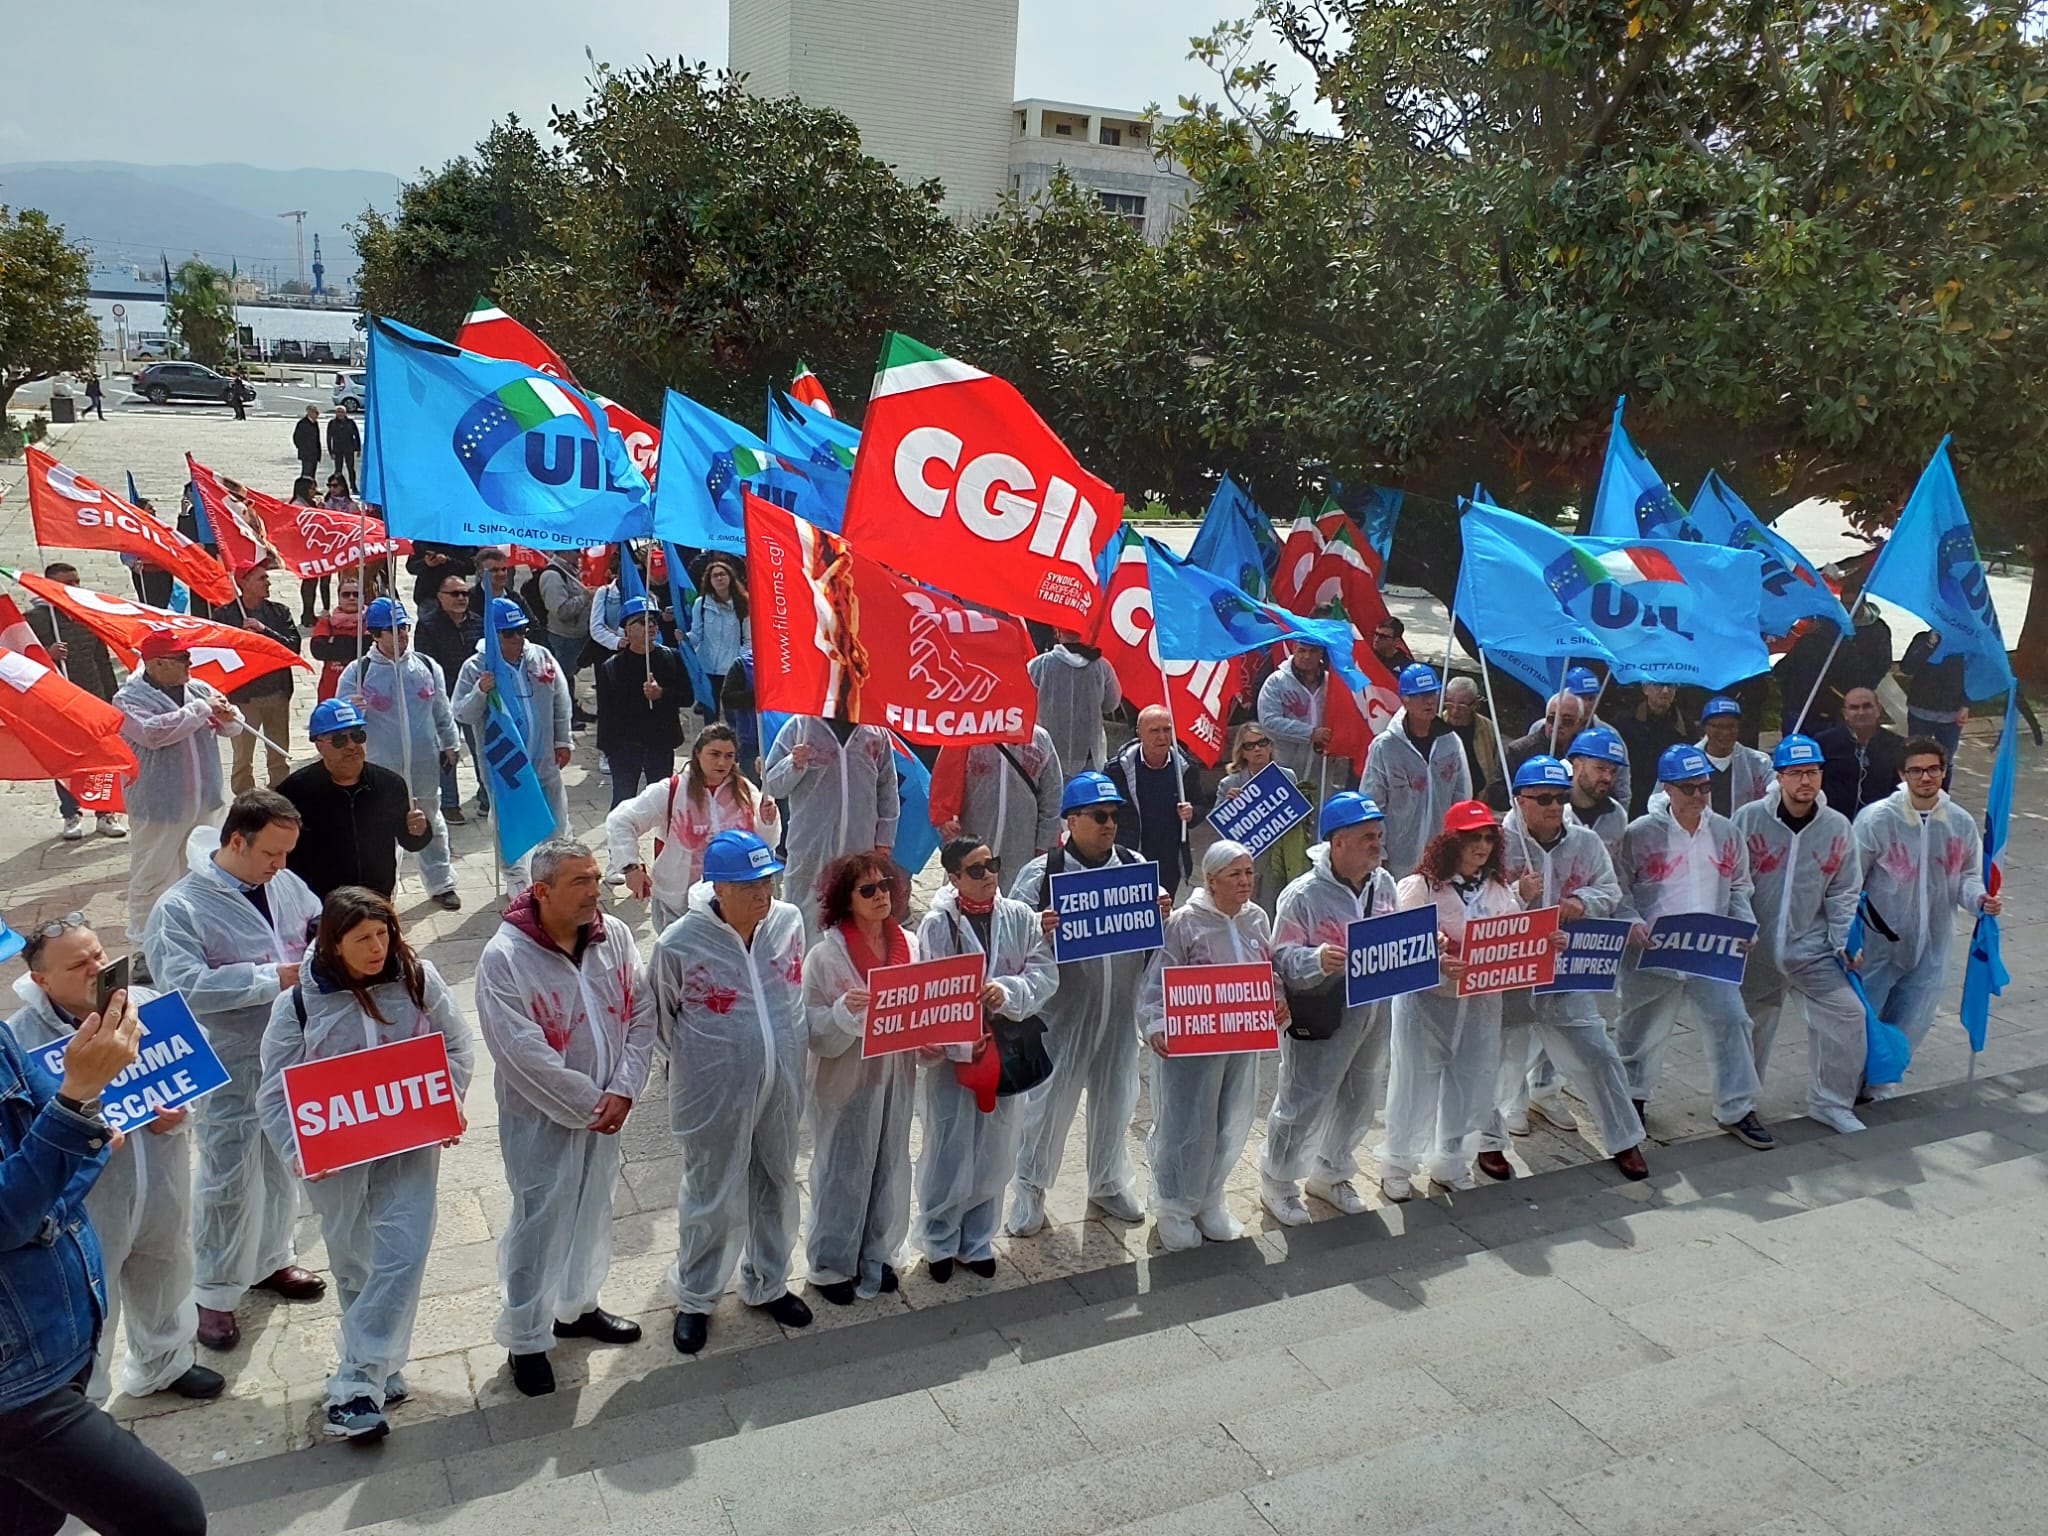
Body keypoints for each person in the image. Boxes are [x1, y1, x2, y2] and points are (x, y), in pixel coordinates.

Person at [257, 887, 473, 1441]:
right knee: (355, 1262)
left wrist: (446, 1101)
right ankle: (382, 1366)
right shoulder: (298, 1004)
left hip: (408, 1146)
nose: (378, 948)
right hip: (337, 1160)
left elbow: (455, 1046)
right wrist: (298, 1151)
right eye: (363, 940)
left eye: (384, 934)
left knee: (402, 1256)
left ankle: (352, 1387)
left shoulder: (418, 978)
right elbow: (274, 1092)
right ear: (334, 943)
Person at [0, 980, 210, 1536]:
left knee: (27, 1520)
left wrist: (77, 1119)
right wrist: (76, 1106)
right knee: (170, 1515)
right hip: (17, 1380)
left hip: (57, 1341)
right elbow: (11, 1215)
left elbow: (85, 1144)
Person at [7, 919, 221, 1403]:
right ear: (42, 980)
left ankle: (166, 1363)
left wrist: (182, 1113)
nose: (97, 969)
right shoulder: (22, 1041)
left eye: (99, 955)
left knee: (167, 1268)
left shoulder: (145, 1005)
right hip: (89, 1198)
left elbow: (197, 1068)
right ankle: (87, 1396)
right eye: (79, 964)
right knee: (92, 1293)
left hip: (161, 1174)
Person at [143, 790, 327, 1351]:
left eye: (288, 853)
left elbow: (314, 923)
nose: (280, 865)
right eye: (271, 852)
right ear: (236, 841)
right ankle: (213, 1293)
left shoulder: (285, 884)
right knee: (227, 1175)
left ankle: (273, 1258)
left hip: (287, 1052)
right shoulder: (180, 907)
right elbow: (184, 986)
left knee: (279, 1166)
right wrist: (275, 976)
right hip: (228, 1059)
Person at [474, 839, 655, 1398]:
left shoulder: (614, 936)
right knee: (540, 1221)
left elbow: (640, 1010)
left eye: (597, 879)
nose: (595, 892)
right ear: (542, 890)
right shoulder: (504, 959)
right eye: (581, 882)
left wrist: (623, 1089)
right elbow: (520, 1051)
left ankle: (577, 1306)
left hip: (607, 1110)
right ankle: (526, 1336)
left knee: (591, 1208)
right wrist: (588, 1102)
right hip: (542, 1119)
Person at [652, 829, 814, 1352]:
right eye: (748, 887)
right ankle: (696, 1297)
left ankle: (768, 1280)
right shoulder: (679, 944)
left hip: (782, 1079)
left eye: (767, 882)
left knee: (776, 1178)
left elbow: (793, 991)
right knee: (710, 1192)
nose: (762, 895)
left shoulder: (787, 923)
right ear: (718, 888)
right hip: (714, 1089)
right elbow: (659, 1021)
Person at [1008, 773, 1160, 1232]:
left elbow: (1154, 942)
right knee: (1048, 1106)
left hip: (1118, 1012)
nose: (1108, 824)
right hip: (1063, 1015)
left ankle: (1109, 1182)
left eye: (1114, 815)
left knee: (1117, 1098)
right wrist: (1039, 926)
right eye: (1098, 816)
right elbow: (1010, 940)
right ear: (1071, 821)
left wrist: (1160, 911)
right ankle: (1030, 1188)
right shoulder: (1044, 874)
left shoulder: (1133, 866)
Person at [1487, 757, 1650, 1180]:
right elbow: (1475, 905)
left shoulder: (1585, 841)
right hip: (1511, 973)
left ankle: (1624, 1138)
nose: (1552, 807)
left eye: (1559, 798)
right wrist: (1517, 896)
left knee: (1596, 1051)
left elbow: (1609, 889)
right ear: (1519, 801)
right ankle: (1487, 1142)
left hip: (1566, 969)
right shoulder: (1494, 844)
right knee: (1495, 1058)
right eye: (1542, 799)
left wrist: (1580, 904)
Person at [1612, 745, 1775, 1150]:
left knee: (1732, 1021)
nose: (1700, 797)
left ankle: (1737, 1106)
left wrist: (1744, 924)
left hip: (1707, 948)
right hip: (1654, 950)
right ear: (1667, 788)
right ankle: (1632, 1100)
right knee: (1638, 1030)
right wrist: (1632, 923)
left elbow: (1739, 884)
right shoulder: (1640, 834)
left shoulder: (1725, 831)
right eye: (1689, 789)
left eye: (1705, 786)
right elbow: (1619, 889)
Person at [914, 837, 1058, 1280]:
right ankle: (939, 1240)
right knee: (948, 1145)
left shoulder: (1017, 916)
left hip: (1005, 1048)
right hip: (955, 1058)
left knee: (997, 1144)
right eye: (976, 870)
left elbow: (1043, 971)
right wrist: (959, 1039)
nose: (989, 875)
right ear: (954, 877)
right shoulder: (937, 925)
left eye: (992, 864)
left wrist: (1008, 992)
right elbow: (928, 990)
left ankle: (977, 1239)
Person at [1259, 792, 1399, 1223]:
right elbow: (1280, 957)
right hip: (1320, 1014)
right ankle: (1277, 1182)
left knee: (1359, 1095)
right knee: (1302, 1098)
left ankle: (1331, 1170)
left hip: (1373, 1011)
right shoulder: (1302, 895)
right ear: (1337, 842)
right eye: (1366, 837)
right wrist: (1316, 960)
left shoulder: (1385, 884)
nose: (1377, 844)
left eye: (1378, 835)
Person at [1376, 801, 1523, 1196]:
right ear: (1450, 842)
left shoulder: (1498, 889)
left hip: (1480, 1006)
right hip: (1427, 1005)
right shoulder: (1421, 888)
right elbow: (1397, 943)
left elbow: (1515, 936)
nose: (1482, 846)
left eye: (1488, 837)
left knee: (1470, 1083)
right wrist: (1435, 958)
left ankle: (1451, 1160)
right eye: (1472, 838)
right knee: (1413, 1086)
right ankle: (1398, 1166)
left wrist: (1544, 942)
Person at [1138, 840, 1279, 1249]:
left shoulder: (1256, 919)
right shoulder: (1184, 922)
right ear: (1211, 880)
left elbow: (1268, 969)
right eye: (1235, 875)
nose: (1245, 882)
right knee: (1186, 1124)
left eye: (1249, 873)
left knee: (1228, 1118)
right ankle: (1174, 1205)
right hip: (1192, 1049)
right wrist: (1156, 1025)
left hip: (1240, 1040)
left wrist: (1276, 996)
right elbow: (1154, 985)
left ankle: (1210, 1197)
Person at [1732, 736, 1868, 1133]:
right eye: (1796, 773)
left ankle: (1831, 1102)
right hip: (1754, 949)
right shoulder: (1749, 819)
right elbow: (1733, 879)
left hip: (1810, 946)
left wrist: (1843, 940)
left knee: (1847, 1014)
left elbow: (1845, 890)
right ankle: (1739, 1106)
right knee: (1748, 1027)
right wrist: (1739, 926)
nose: (1805, 781)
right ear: (1779, 777)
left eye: (1812, 772)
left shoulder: (1836, 826)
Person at [800, 854, 917, 1305]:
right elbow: (808, 1025)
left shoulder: (909, 942)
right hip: (847, 1077)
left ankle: (878, 1251)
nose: (881, 894)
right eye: (867, 889)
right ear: (845, 900)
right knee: (841, 1170)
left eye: (885, 884)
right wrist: (840, 1013)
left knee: (889, 1163)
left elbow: (924, 1002)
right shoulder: (826, 956)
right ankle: (831, 1266)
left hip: (896, 1074)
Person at [1854, 736, 1998, 1089]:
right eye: (1916, 770)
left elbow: (1967, 876)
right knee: (1862, 1020)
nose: (1926, 777)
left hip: (1932, 942)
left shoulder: (1959, 822)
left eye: (1933, 769)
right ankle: (1846, 1085)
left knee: (1912, 1019)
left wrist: (1980, 899)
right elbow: (1849, 881)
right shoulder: (1877, 819)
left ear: (1944, 772)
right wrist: (1846, 937)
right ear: (1903, 774)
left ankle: (1881, 1086)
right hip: (1877, 943)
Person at [114, 633, 240, 940]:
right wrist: (202, 710)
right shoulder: (128, 699)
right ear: (157, 664)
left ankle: (193, 934)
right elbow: (152, 733)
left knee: (200, 870)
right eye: (182, 659)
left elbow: (234, 727)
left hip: (203, 800)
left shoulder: (197, 688)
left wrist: (227, 715)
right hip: (158, 804)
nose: (190, 663)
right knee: (153, 874)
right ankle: (145, 943)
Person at [337, 599, 461, 911]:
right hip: (381, 762)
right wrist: (353, 710)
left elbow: (441, 709)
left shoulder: (426, 666)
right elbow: (338, 720)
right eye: (394, 629)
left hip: (423, 758)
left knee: (429, 818)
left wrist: (450, 743)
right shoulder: (358, 672)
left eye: (405, 627)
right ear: (376, 634)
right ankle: (381, 890)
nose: (402, 635)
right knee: (381, 826)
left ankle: (441, 882)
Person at [610, 723, 782, 935]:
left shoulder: (745, 790)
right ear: (698, 753)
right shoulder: (671, 790)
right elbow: (621, 819)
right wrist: (630, 867)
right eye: (714, 754)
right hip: (679, 904)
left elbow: (766, 845)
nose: (722, 762)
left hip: (733, 904)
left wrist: (768, 821)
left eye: (729, 756)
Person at [452, 599, 573, 889]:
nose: (518, 638)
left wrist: (562, 739)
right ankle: (516, 877)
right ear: (494, 635)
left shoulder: (540, 656)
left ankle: (554, 872)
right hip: (505, 764)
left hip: (543, 756)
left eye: (521, 630)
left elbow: (561, 699)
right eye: (509, 633)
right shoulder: (475, 667)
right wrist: (481, 691)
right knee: (509, 824)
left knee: (555, 819)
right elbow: (460, 712)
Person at [277, 700, 434, 901]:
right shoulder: (294, 791)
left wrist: (420, 829)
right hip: (318, 904)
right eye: (339, 740)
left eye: (358, 736)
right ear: (320, 745)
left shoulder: (389, 784)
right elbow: (280, 852)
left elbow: (411, 841)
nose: (351, 745)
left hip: (376, 898)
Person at [762, 715, 899, 935]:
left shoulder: (876, 733)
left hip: (860, 847)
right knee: (803, 916)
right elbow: (772, 786)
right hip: (810, 848)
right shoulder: (799, 727)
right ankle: (803, 967)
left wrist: (884, 839)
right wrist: (793, 763)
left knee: (854, 915)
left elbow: (888, 790)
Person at [27, 561, 126, 840]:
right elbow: (19, 661)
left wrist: (112, 697)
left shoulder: (87, 616)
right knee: (66, 760)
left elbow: (102, 660)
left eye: (76, 581)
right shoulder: (35, 620)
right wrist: (46, 655)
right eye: (66, 583)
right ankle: (71, 813)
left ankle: (105, 812)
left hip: (93, 697)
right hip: (57, 702)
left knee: (102, 758)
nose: (74, 588)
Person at [1362, 664, 1473, 878]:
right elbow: (1373, 803)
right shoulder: (1385, 746)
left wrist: (1458, 842)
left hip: (1441, 856)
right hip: (1397, 859)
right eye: (1420, 695)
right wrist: (1378, 852)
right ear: (1405, 699)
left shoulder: (1450, 742)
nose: (1429, 701)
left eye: (1432, 693)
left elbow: (1462, 795)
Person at [930, 727, 1063, 891]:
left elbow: (1052, 797)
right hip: (972, 846)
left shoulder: (1039, 739)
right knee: (967, 902)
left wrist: (1045, 845)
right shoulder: (965, 731)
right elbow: (943, 783)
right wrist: (946, 822)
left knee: (1017, 903)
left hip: (1023, 848)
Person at [595, 597, 695, 805]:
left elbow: (688, 697)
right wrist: (607, 749)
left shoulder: (670, 658)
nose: (649, 625)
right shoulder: (612, 667)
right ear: (627, 630)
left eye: (653, 621)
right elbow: (605, 713)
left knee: (662, 803)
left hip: (659, 742)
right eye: (642, 621)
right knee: (623, 801)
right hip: (625, 746)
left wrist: (662, 694)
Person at [213, 560, 300, 794]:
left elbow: (293, 648)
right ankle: (245, 800)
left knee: (279, 754)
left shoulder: (279, 612)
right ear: (244, 583)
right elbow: (219, 655)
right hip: (243, 697)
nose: (268, 582)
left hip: (276, 694)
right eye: (262, 578)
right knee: (243, 758)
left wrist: (264, 631)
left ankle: (282, 795)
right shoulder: (225, 615)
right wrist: (241, 639)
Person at [1106, 705, 1202, 893]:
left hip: (1169, 860)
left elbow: (1201, 805)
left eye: (1167, 730)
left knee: (1163, 914)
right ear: (1139, 734)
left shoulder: (1186, 768)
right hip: (1131, 856)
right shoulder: (1117, 770)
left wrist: (1192, 813)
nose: (1162, 737)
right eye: (1154, 731)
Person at [1216, 723, 1312, 910]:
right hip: (1250, 864)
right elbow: (1220, 833)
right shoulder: (1229, 783)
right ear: (1242, 752)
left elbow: (1301, 818)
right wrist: (1229, 806)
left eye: (1262, 742)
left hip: (1283, 860)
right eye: (1249, 746)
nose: (1257, 749)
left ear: (1270, 746)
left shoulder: (1287, 776)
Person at [415, 572, 484, 826]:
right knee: (448, 751)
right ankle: (450, 803)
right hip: (443, 697)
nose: (461, 598)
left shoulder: (478, 621)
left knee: (481, 749)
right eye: (454, 593)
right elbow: (426, 663)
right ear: (440, 597)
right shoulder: (429, 625)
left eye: (465, 593)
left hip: (474, 697)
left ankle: (486, 797)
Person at [1258, 642, 1344, 805]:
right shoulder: (1276, 682)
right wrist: (1310, 733)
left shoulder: (1330, 682)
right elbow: (1269, 721)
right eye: (1302, 651)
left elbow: (1343, 717)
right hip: (1285, 761)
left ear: (1321, 654)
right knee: (1283, 813)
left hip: (1322, 764)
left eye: (1313, 651)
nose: (1307, 656)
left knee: (1318, 813)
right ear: (1294, 650)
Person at [1028, 633, 1121, 773]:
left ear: (1057, 632)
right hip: (1090, 756)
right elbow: (1112, 704)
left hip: (1047, 753)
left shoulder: (1039, 665)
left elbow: (1023, 704)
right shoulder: (1101, 666)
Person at [1818, 686, 1907, 818]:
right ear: (1845, 713)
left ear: (1878, 710)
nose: (1861, 712)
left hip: (1881, 820)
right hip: (1834, 821)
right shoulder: (1823, 743)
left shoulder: (1898, 745)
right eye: (1854, 708)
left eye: (1867, 706)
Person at [1900, 630, 1968, 782]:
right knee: (1916, 757)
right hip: (1920, 710)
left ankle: (1942, 798)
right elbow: (1907, 668)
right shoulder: (1922, 639)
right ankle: (1914, 796)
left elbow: (1971, 677)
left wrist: (1965, 705)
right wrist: (1929, 645)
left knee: (1945, 761)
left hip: (1951, 713)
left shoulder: (1965, 643)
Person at [1615, 682, 1692, 817]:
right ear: (1645, 689)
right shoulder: (1624, 723)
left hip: (1672, 804)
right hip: (1634, 801)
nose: (1665, 691)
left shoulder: (1687, 727)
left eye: (1671, 685)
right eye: (1659, 685)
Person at [536, 551, 593, 727]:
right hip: (564, 637)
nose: (579, 554)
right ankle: (565, 716)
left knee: (569, 675)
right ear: (564, 551)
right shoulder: (553, 576)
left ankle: (573, 710)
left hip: (577, 635)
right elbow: (560, 610)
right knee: (563, 677)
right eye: (576, 550)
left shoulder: (570, 570)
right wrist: (585, 597)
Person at [1696, 696, 1773, 817]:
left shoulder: (1759, 762)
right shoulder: (1685, 762)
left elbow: (1776, 795)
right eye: (1719, 726)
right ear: (1705, 727)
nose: (1726, 733)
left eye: (1731, 726)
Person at [689, 558, 747, 717]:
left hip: (732, 668)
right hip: (707, 667)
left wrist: (740, 662)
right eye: (715, 576)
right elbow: (696, 634)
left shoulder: (743, 604)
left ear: (730, 577)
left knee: (732, 715)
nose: (719, 578)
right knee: (710, 713)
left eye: (722, 574)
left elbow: (749, 640)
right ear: (709, 580)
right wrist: (684, 639)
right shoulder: (700, 604)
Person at [1562, 727, 1631, 857]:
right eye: (1600, 768)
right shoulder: (1551, 808)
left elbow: (1618, 869)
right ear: (1577, 764)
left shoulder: (1616, 815)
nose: (1608, 778)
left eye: (1613, 771)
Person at [1438, 677, 1499, 806]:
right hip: (1444, 798)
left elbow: (1494, 764)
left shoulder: (1486, 727)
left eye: (1462, 706)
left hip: (1477, 798)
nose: (1454, 711)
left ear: (1475, 704)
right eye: (1449, 703)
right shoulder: (1436, 725)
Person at [307, 576, 368, 704]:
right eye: (346, 595)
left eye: (356, 594)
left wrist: (336, 642)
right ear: (339, 598)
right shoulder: (327, 622)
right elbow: (318, 650)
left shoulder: (371, 622)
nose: (351, 598)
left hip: (365, 691)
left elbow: (369, 650)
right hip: (331, 691)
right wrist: (356, 643)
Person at [405, 543, 478, 613]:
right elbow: (411, 567)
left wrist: (448, 561)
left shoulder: (463, 539)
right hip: (428, 595)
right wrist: (425, 563)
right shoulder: (423, 538)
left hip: (455, 595)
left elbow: (472, 567)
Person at [326, 401, 361, 493]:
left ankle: (353, 486)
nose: (340, 414)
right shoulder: (332, 423)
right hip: (337, 450)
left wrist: (358, 449)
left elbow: (356, 435)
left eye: (342, 412)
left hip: (349, 449)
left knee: (351, 469)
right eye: (338, 412)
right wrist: (331, 451)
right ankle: (338, 487)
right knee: (338, 470)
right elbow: (329, 438)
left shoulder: (350, 422)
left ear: (345, 413)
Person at [294, 405, 323, 482]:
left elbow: (317, 439)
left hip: (314, 453)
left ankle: (311, 488)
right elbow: (296, 438)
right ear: (309, 412)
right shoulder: (302, 423)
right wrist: (302, 448)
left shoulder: (315, 423)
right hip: (306, 453)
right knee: (306, 472)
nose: (316, 414)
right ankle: (304, 489)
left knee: (313, 472)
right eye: (314, 412)